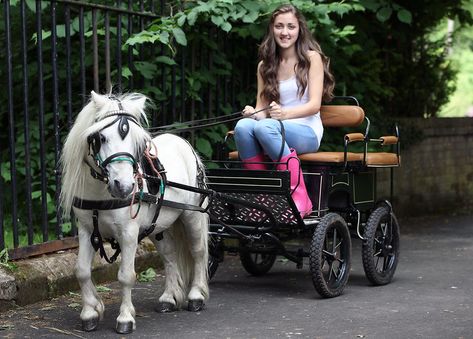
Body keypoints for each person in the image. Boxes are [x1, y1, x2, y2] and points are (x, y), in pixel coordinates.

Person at [234, 4, 335, 218]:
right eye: (279, 26)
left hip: (306, 130)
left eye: (291, 26)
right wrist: (252, 112)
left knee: (266, 127)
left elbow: (315, 105)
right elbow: (262, 110)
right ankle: (264, 196)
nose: (285, 32)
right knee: (243, 127)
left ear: (300, 29)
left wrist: (282, 116)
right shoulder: (265, 65)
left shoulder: (311, 58)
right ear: (272, 29)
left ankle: (300, 196)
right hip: (273, 128)